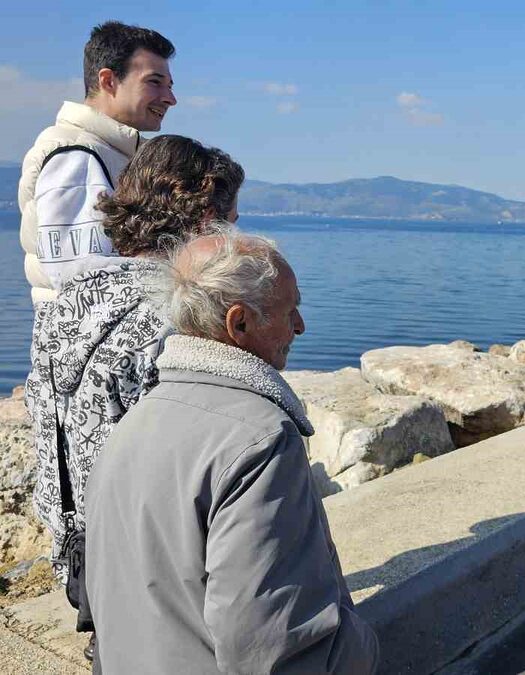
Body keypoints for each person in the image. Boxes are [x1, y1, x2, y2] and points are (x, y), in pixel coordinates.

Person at [85, 231, 379, 673]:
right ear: (238, 324)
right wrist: (365, 647)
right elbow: (272, 644)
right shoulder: (260, 440)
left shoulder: (131, 425)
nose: (300, 326)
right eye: (289, 311)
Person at [24, 135, 241, 658]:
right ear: (207, 218)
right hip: (152, 576)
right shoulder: (175, 317)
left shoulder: (69, 301)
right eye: (233, 219)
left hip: (80, 551)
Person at [17, 21, 176, 304]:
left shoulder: (110, 151)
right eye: (154, 82)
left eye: (170, 86)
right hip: (94, 344)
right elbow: (80, 280)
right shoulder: (76, 154)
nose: (170, 99)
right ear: (108, 81)